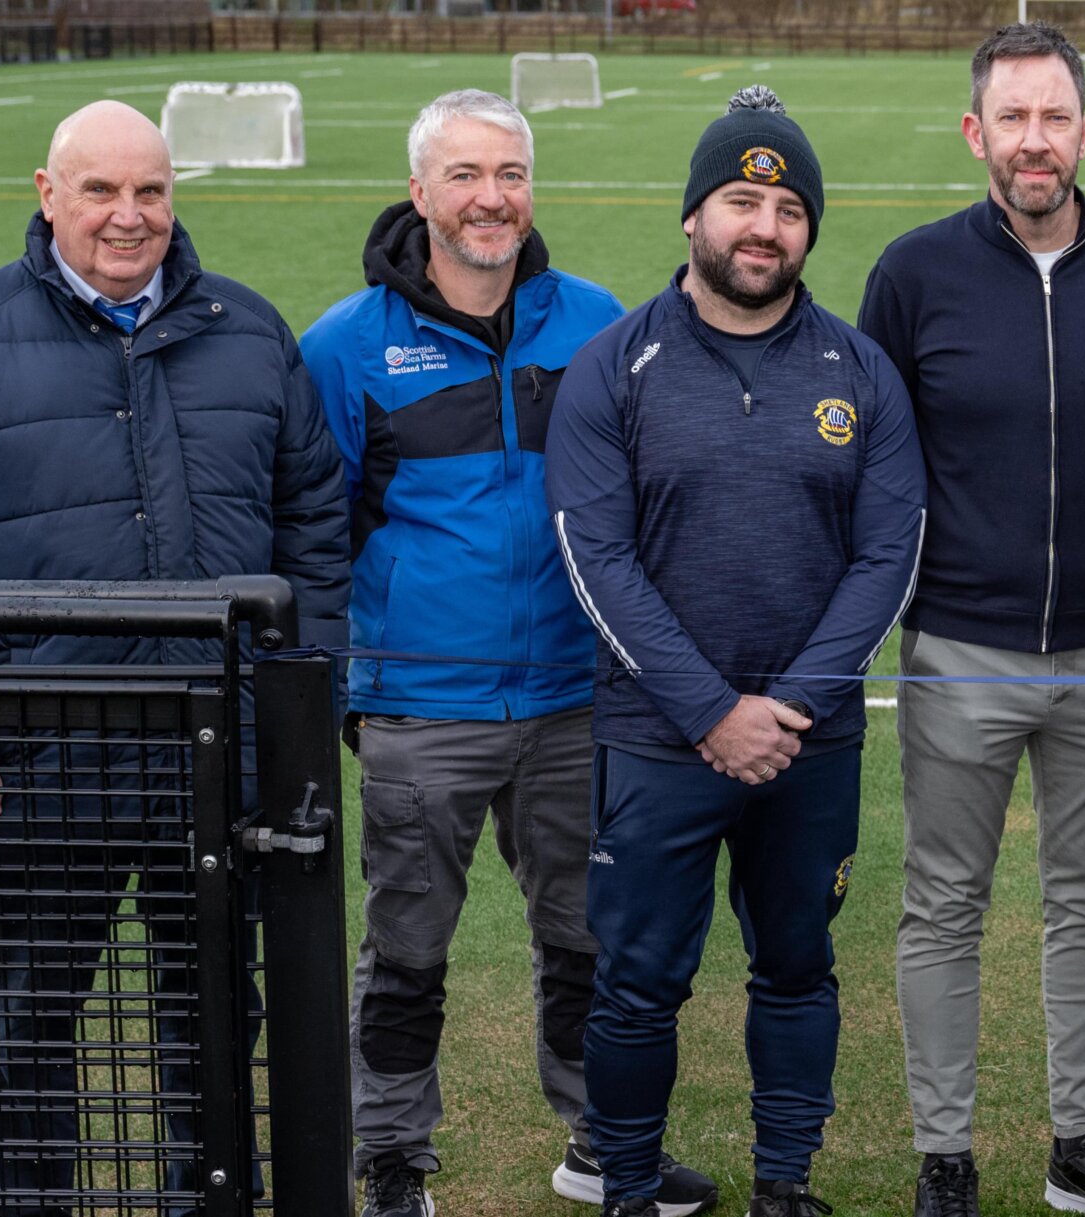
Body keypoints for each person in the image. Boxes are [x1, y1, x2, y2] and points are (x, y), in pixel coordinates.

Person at [0, 99, 348, 1215]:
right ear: (48, 193)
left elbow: (314, 528)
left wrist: (291, 714)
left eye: (151, 191)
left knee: (215, 1017)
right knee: (29, 1019)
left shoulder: (250, 330)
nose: (130, 216)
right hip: (42, 758)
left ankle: (206, 1202)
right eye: (102, 190)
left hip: (216, 753)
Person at [297, 89, 712, 1217]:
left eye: (511, 174)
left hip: (578, 701)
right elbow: (314, 535)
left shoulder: (599, 323)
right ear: (420, 191)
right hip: (421, 708)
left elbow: (647, 505)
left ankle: (600, 1138)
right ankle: (392, 1159)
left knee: (588, 941)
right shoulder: (343, 347)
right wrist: (340, 691)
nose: (492, 198)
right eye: (466, 175)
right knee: (407, 953)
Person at [545, 85, 925, 1217]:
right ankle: (625, 1183)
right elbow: (596, 558)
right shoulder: (614, 366)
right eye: (740, 202)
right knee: (638, 982)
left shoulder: (860, 371)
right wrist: (712, 710)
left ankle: (784, 1182)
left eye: (788, 209)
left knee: (799, 966)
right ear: (693, 217)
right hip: (658, 740)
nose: (764, 227)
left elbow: (889, 555)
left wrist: (789, 705)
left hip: (810, 744)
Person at [856, 22, 1085, 1217]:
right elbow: (872, 462)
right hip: (959, 647)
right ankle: (944, 1154)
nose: (1033, 140)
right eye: (1013, 118)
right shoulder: (911, 274)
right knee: (943, 905)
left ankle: (1079, 1142)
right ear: (975, 132)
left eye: (1054, 117)